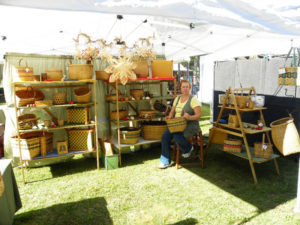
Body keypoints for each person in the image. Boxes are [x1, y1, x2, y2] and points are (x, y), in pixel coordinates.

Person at [158, 80, 201, 169]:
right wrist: (169, 117)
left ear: (190, 88)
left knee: (177, 136)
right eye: (183, 87)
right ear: (180, 88)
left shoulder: (193, 99)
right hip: (176, 124)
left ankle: (188, 148)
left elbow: (198, 115)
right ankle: (165, 162)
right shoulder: (177, 98)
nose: (185, 89)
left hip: (190, 124)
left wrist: (189, 117)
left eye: (187, 87)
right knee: (165, 137)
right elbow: (172, 111)